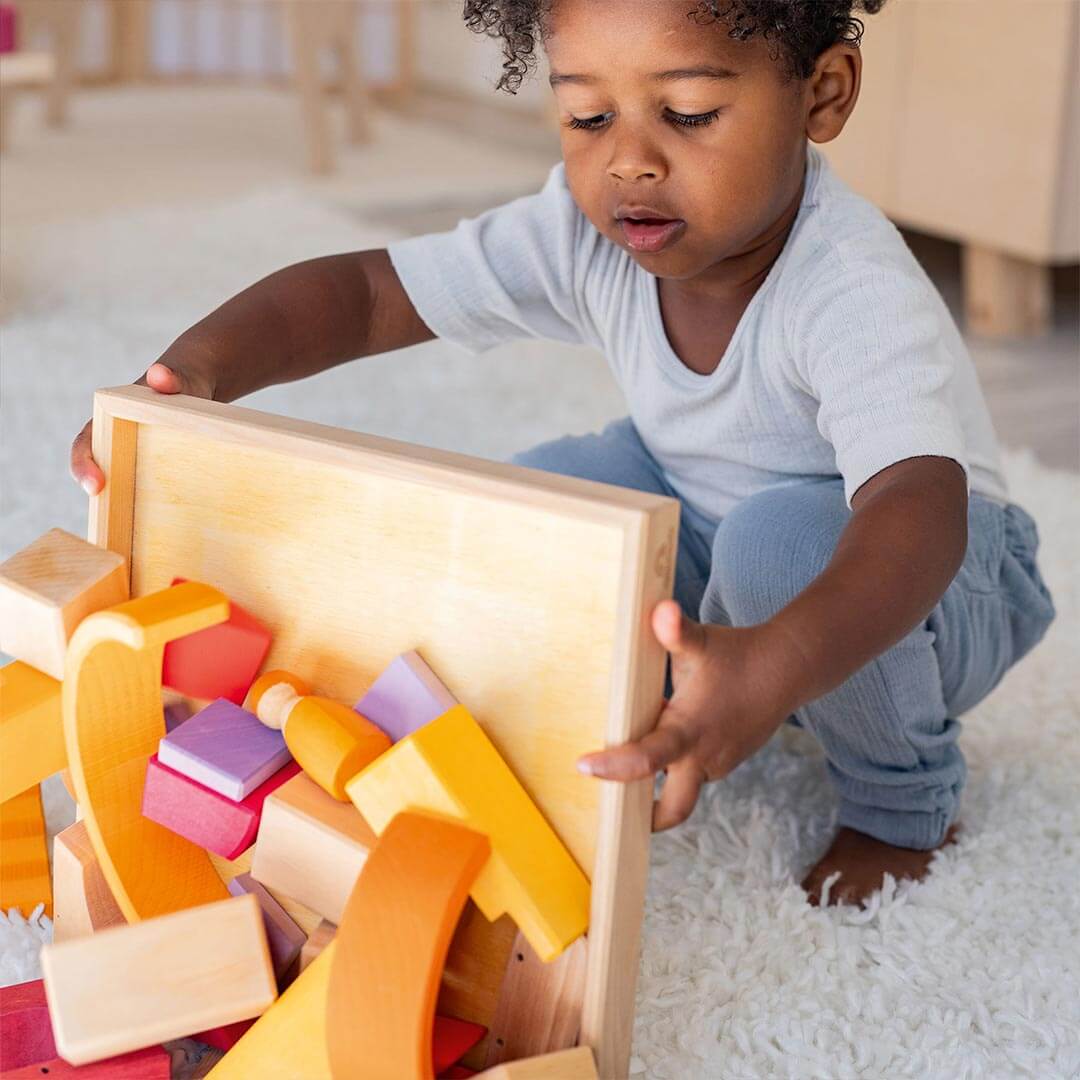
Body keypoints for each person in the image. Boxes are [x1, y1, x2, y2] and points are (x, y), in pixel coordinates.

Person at [70, 0, 1055, 906]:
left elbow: (920, 511)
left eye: (690, 113)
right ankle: (669, 684)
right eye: (589, 118)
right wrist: (196, 370)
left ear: (823, 95)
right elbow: (371, 296)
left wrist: (779, 662)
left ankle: (900, 800)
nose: (629, 161)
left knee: (776, 546)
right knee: (548, 502)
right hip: (715, 511)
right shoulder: (586, 231)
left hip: (934, 577)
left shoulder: (850, 289)